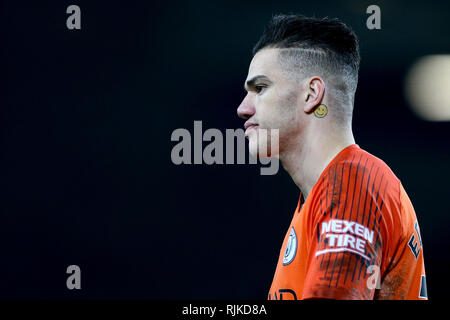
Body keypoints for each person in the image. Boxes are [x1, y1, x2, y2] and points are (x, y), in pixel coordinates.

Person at [237, 14, 427, 300]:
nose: (243, 108)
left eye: (260, 88)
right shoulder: (323, 197)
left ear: (312, 94)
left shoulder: (352, 185)